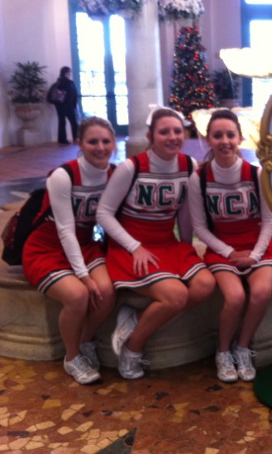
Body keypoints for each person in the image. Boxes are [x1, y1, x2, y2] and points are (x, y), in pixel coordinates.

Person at [96, 107, 216, 380]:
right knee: (176, 295)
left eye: (177, 131)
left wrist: (186, 247)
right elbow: (103, 213)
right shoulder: (132, 167)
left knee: (205, 285)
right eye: (164, 132)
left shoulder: (188, 165)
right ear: (151, 136)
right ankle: (132, 349)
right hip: (132, 247)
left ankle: (135, 318)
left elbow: (184, 211)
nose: (172, 137)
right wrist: (134, 246)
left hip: (166, 243)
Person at [188, 110, 272, 383]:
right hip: (223, 249)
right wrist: (230, 253)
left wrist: (254, 255)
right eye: (217, 135)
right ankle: (222, 351)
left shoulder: (256, 174)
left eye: (230, 135)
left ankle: (242, 347)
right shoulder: (199, 178)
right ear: (208, 139)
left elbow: (269, 221)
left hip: (258, 246)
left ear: (240, 138)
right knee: (234, 297)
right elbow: (200, 228)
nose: (225, 141)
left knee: (261, 292)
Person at [22, 116, 117, 384]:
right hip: (47, 247)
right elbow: (64, 229)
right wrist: (84, 276)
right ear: (80, 144)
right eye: (93, 141)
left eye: (106, 141)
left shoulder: (115, 174)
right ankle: (72, 357)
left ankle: (84, 341)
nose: (100, 147)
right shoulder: (63, 176)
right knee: (77, 296)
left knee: (107, 292)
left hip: (85, 244)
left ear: (113, 143)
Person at [49, 66, 79, 145]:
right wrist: (74, 104)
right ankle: (76, 137)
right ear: (66, 73)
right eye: (69, 72)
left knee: (62, 121)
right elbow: (73, 94)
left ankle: (62, 139)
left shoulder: (58, 82)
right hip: (68, 105)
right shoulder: (69, 83)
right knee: (73, 122)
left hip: (60, 105)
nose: (70, 73)